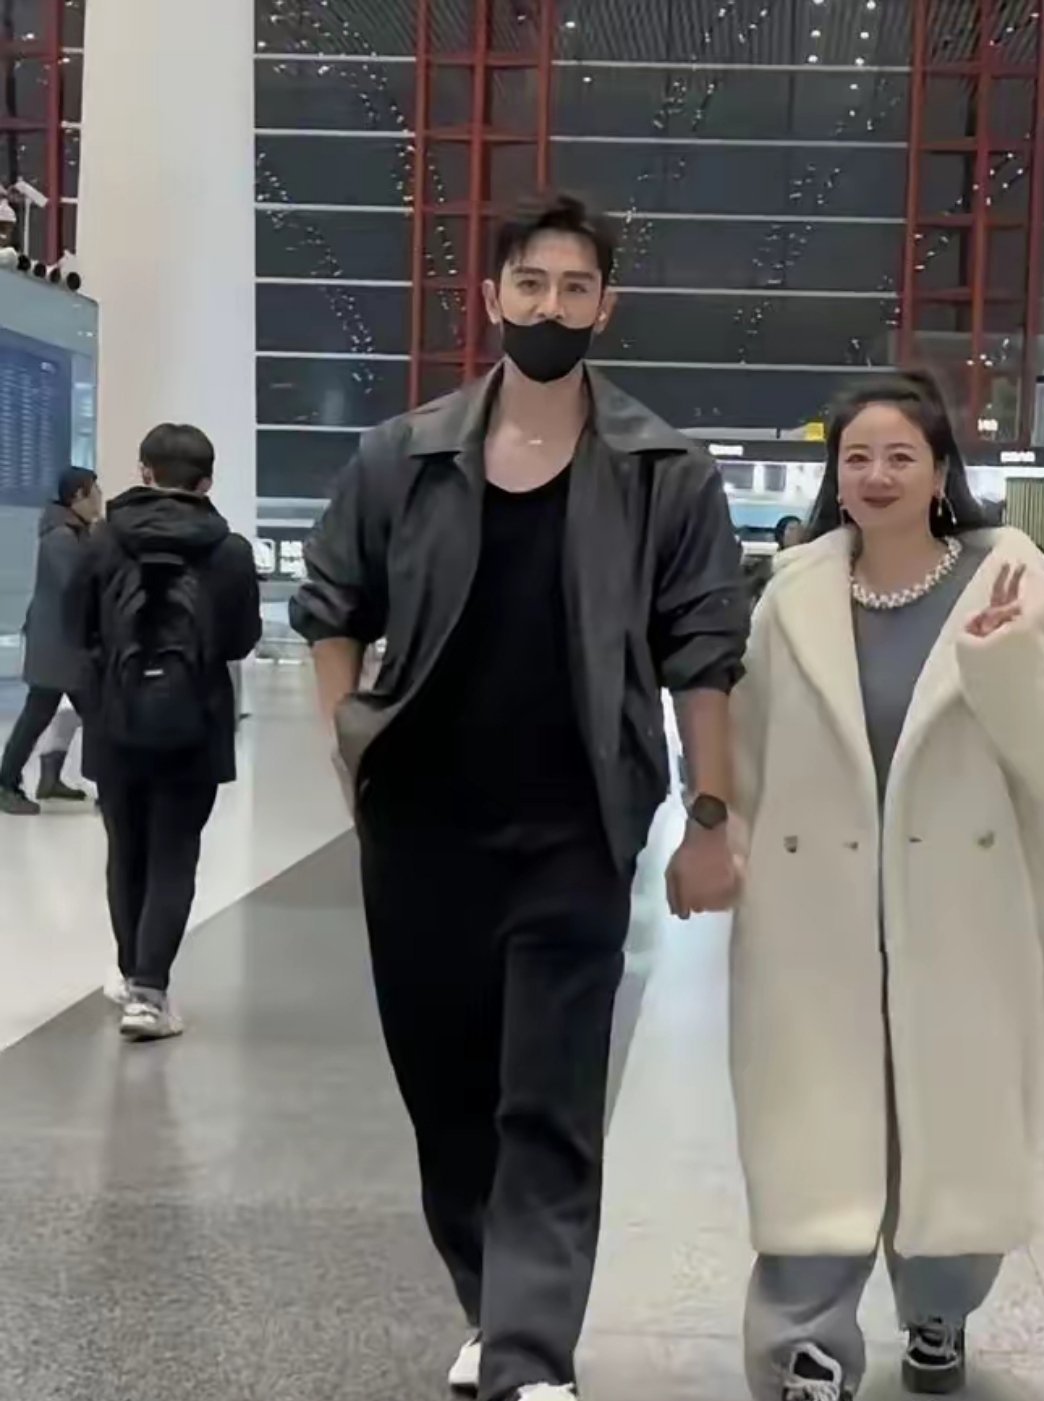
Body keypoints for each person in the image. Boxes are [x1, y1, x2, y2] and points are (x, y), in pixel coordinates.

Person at [290, 191, 749, 1401]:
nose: (551, 306)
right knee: (447, 1096)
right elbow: (329, 605)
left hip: (574, 829)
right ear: (491, 296)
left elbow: (704, 656)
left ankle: (531, 1353)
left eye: (574, 287)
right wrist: (347, 745)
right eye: (531, 284)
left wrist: (708, 819)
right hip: (421, 827)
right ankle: (492, 1306)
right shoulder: (402, 456)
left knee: (546, 1097)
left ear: (606, 306)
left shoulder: (661, 470)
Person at [730, 370, 1044, 1401]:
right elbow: (748, 753)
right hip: (812, 906)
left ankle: (937, 1313)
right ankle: (804, 1346)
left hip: (962, 905)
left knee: (949, 1122)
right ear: (834, 475)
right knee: (812, 1124)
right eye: (855, 457)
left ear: (938, 472)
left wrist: (1001, 668)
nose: (875, 476)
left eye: (899, 456)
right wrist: (724, 848)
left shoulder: (1016, 588)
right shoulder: (790, 597)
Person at [68, 424, 261, 1041]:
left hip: (115, 717)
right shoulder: (229, 551)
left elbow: (77, 626)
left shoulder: (102, 540)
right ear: (206, 482)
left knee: (125, 851)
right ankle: (150, 994)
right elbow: (240, 639)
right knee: (175, 853)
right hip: (194, 721)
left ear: (144, 472)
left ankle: (132, 978)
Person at [0, 466, 102, 815]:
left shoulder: (72, 533)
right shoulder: (62, 537)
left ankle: (38, 781)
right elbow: (77, 584)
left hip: (61, 645)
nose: (99, 499)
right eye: (95, 492)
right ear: (78, 496)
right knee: (87, 716)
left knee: (50, 715)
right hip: (59, 646)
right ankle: (6, 784)